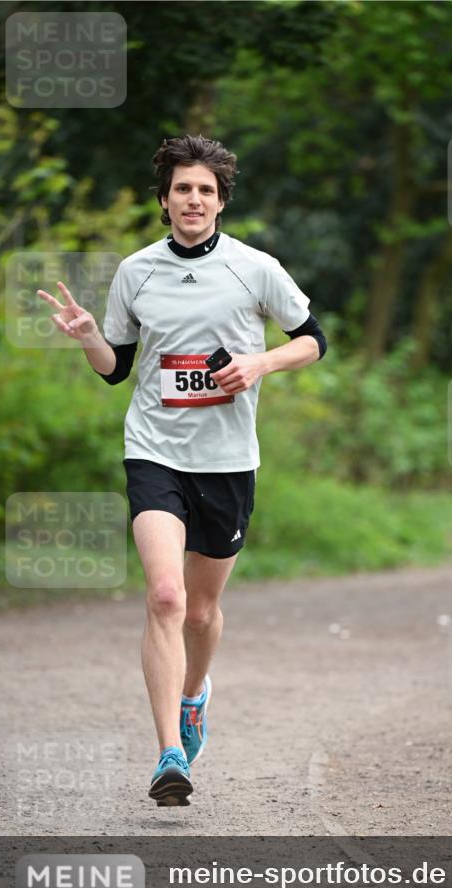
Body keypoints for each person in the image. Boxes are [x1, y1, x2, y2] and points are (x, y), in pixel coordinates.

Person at [37, 134, 327, 806]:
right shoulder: (136, 272)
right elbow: (117, 370)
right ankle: (170, 753)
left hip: (227, 461)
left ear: (220, 201)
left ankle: (195, 696)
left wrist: (259, 363)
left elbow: (314, 339)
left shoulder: (255, 268)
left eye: (204, 189)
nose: (192, 199)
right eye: (180, 189)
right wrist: (88, 340)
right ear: (164, 201)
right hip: (155, 451)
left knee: (201, 611)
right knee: (165, 597)